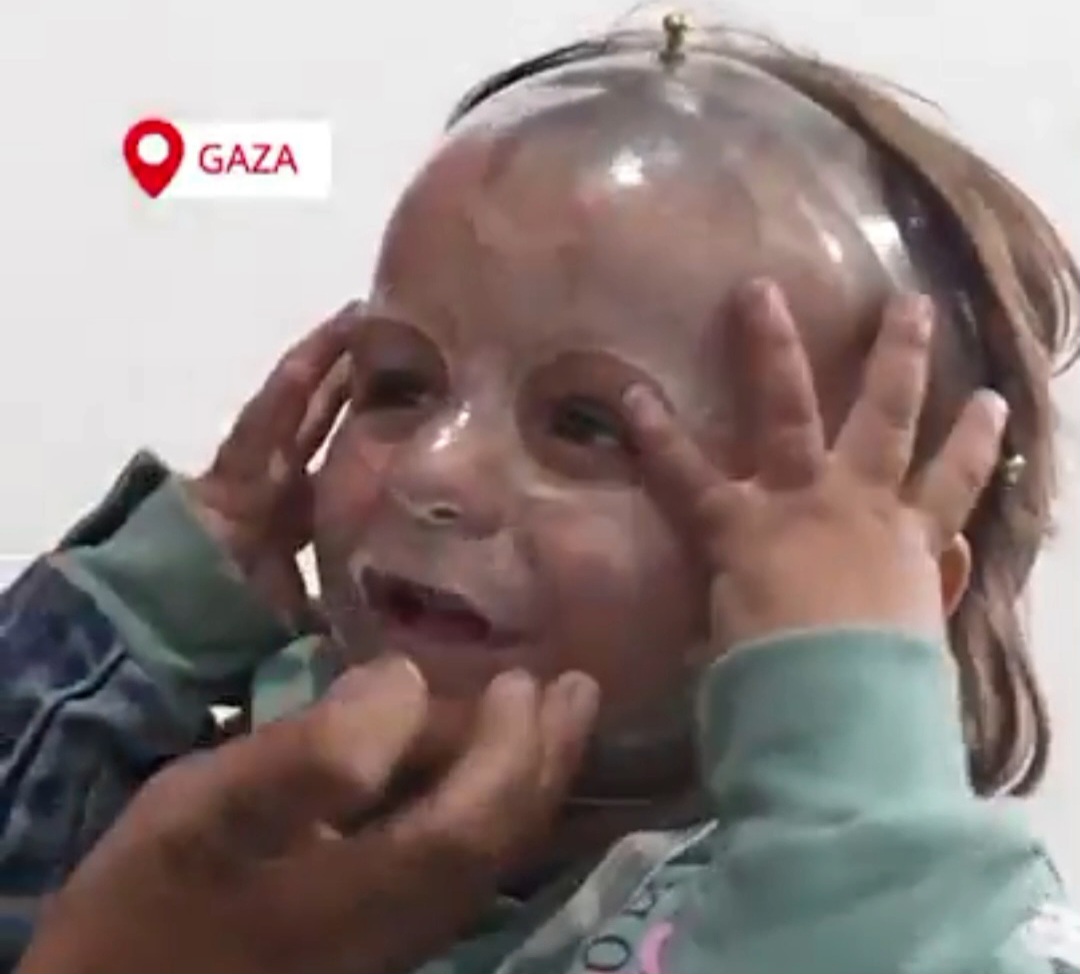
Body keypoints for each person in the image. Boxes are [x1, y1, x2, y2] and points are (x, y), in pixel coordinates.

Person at [4, 16, 1080, 974]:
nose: (434, 469)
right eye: (399, 385)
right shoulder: (246, 790)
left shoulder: (853, 904)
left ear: (879, 601)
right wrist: (144, 614)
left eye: (588, 424)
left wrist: (844, 712)